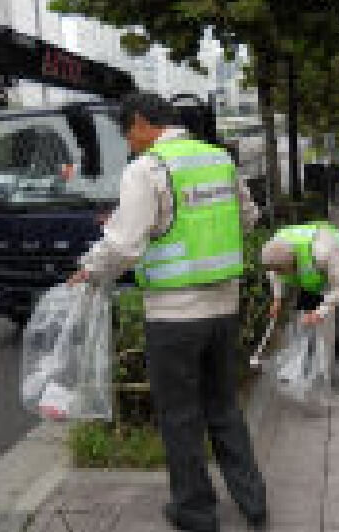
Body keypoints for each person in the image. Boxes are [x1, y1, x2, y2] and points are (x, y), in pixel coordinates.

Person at [69, 92, 266, 532]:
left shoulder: (147, 169)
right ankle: (253, 503)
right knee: (224, 408)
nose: (128, 142)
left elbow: (123, 245)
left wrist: (89, 270)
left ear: (141, 122)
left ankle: (195, 513)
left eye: (127, 132)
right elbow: (248, 218)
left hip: (174, 317)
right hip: (224, 310)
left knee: (180, 416)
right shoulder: (219, 159)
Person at [261, 222, 339, 395]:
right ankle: (306, 367)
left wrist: (320, 312)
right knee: (302, 318)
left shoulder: (322, 251)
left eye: (283, 271)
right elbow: (273, 272)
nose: (280, 275)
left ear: (293, 264)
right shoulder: (274, 248)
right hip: (313, 271)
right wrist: (277, 298)